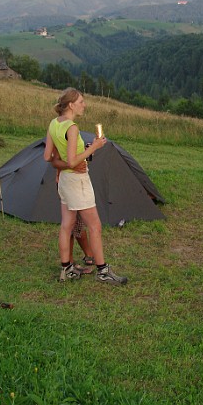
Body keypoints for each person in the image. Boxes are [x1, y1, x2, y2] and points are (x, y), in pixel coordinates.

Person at [43, 88, 128, 285]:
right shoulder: (72, 128)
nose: (84, 105)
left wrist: (83, 153)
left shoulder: (54, 123)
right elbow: (73, 161)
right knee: (95, 226)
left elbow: (48, 156)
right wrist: (95, 147)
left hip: (64, 180)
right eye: (81, 101)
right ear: (71, 105)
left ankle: (67, 269)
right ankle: (103, 271)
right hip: (77, 182)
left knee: (67, 225)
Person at [47, 144, 94, 274]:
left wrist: (85, 153)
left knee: (74, 224)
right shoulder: (66, 135)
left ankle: (77, 260)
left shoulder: (62, 135)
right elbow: (54, 159)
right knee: (71, 225)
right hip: (70, 181)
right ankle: (70, 264)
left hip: (67, 180)